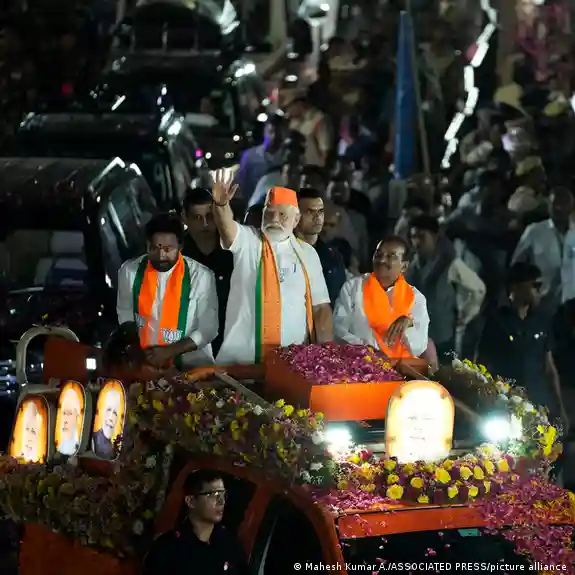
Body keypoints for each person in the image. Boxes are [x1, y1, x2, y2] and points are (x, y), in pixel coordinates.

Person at [211, 170, 332, 364]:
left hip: (292, 364)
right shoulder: (249, 240)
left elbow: (320, 308)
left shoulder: (307, 253)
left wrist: (324, 356)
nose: (274, 220)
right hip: (241, 362)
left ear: (296, 220)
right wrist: (221, 205)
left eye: (282, 215)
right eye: (269, 213)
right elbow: (227, 228)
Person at [116, 213, 219, 369]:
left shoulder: (201, 276)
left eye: (168, 249)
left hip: (193, 368)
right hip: (146, 367)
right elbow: (125, 313)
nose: (161, 256)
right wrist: (136, 350)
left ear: (180, 247)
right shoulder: (130, 272)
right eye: (154, 248)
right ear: (147, 245)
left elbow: (208, 329)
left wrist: (169, 351)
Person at [477, 263, 567, 424]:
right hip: (506, 405)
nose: (539, 291)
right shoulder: (497, 322)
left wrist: (560, 409)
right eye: (535, 285)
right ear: (515, 287)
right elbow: (482, 365)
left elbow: (549, 368)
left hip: (538, 406)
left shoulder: (541, 321)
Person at [333, 236, 429, 358]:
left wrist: (408, 323)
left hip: (400, 366)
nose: (382, 260)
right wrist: (368, 352)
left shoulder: (416, 298)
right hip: (359, 361)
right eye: (378, 254)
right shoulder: (353, 287)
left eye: (390, 256)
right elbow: (339, 330)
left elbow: (420, 346)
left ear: (404, 266)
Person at [406, 215, 486, 359]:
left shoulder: (449, 263)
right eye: (413, 237)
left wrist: (465, 315)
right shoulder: (413, 266)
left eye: (422, 237)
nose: (416, 242)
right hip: (417, 336)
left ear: (435, 237)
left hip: (442, 336)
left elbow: (478, 289)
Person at [142, 470, 248, 575]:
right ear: (191, 501)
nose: (221, 501)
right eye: (213, 494)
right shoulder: (169, 548)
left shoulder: (230, 545)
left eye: (223, 494)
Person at [182, 188, 234, 356]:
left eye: (209, 217)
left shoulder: (233, 249)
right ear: (185, 218)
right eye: (197, 218)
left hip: (230, 342)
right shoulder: (177, 255)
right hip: (189, 347)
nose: (205, 224)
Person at [511, 186, 575, 312]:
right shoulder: (534, 231)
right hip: (542, 304)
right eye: (554, 204)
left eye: (563, 204)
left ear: (571, 207)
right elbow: (517, 266)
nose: (558, 208)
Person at [295, 188, 346, 305]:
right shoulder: (284, 252)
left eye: (320, 211)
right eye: (310, 212)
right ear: (296, 215)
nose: (317, 217)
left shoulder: (333, 256)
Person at [234, 114, 286, 200]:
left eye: (279, 133)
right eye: (271, 132)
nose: (274, 137)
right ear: (264, 132)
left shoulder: (288, 156)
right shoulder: (250, 156)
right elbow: (241, 183)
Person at [286, 95, 333, 167]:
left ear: (300, 104)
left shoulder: (319, 119)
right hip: (299, 166)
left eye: (289, 107)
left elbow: (325, 149)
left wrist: (322, 169)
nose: (288, 111)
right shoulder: (294, 122)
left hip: (313, 167)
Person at [92, 388, 122, 459]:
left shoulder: (114, 447)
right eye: (108, 410)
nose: (110, 418)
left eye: (115, 413)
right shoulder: (94, 439)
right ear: (102, 412)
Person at [57, 387, 81, 455]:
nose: (65, 420)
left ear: (77, 417)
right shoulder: (59, 447)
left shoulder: (79, 446)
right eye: (64, 413)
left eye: (69, 413)